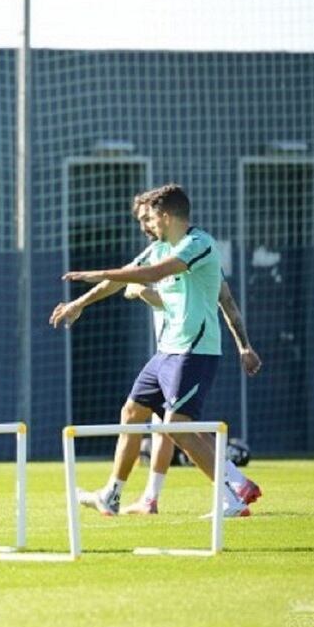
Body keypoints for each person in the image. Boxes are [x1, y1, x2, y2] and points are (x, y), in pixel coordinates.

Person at [52, 192, 263, 515]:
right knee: (132, 412)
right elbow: (123, 277)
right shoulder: (159, 248)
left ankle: (231, 497)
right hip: (166, 352)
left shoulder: (200, 244)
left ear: (165, 215)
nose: (145, 227)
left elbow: (165, 280)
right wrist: (78, 304)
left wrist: (243, 344)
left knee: (176, 426)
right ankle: (112, 494)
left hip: (194, 351)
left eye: (147, 219)